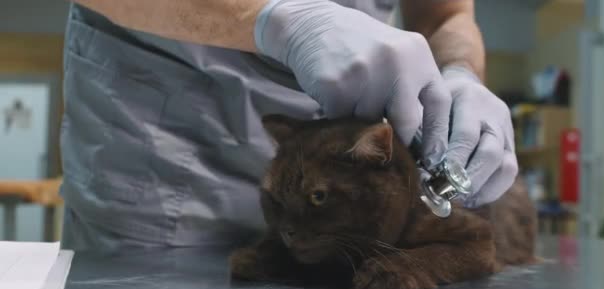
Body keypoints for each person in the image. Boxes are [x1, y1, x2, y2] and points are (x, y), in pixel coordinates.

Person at [60, 0, 517, 250]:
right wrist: (277, 22)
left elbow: (447, 15)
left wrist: (460, 70)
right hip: (163, 145)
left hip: (334, 187)